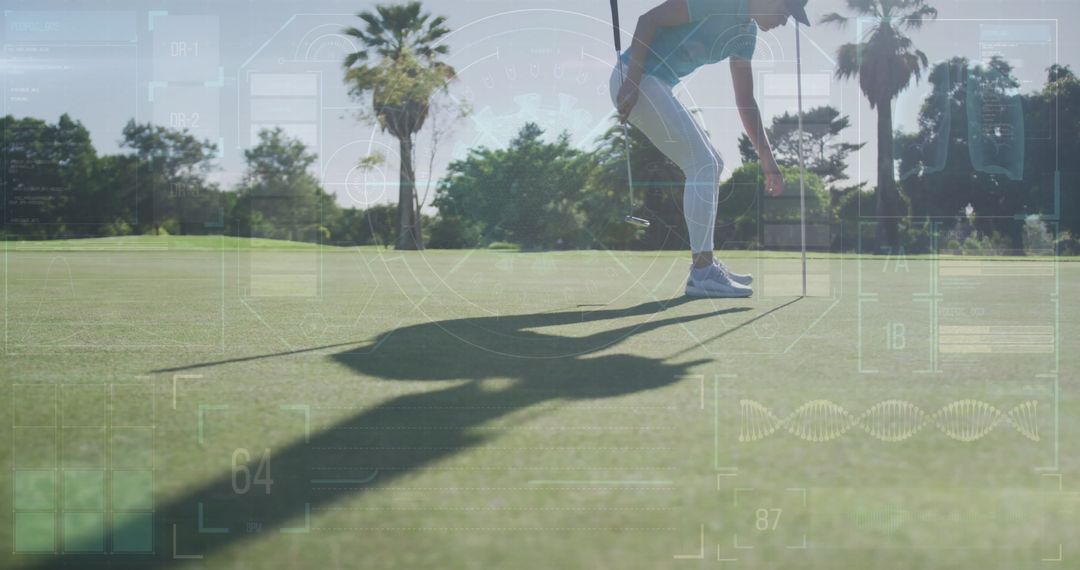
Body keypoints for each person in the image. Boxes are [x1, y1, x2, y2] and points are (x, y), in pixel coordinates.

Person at [610, 0, 810, 298]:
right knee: (703, 163)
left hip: (657, 84)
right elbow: (648, 20)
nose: (784, 21)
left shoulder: (746, 35)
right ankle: (702, 273)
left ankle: (705, 265)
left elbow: (745, 101)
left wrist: (768, 160)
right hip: (635, 78)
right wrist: (633, 81)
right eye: (785, 12)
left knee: (711, 163)